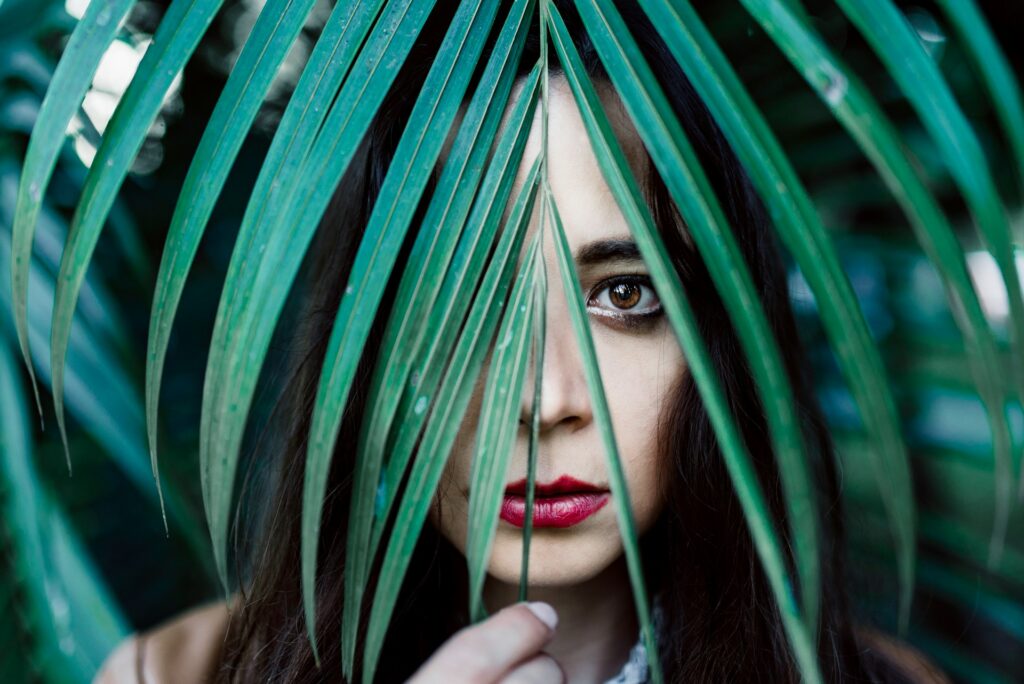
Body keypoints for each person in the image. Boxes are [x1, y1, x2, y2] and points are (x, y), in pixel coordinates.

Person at [95, 3, 950, 682]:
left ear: (719, 340)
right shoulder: (172, 677)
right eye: (465, 298)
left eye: (625, 295)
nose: (544, 400)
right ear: (365, 339)